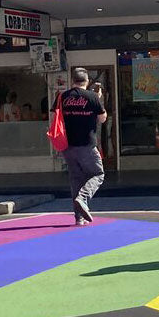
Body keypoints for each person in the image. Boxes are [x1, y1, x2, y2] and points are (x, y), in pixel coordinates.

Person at [59, 67, 107, 224]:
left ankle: (79, 217)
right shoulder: (92, 96)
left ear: (73, 81)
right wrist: (98, 99)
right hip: (87, 144)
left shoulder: (63, 97)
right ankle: (83, 198)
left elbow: (56, 116)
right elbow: (102, 119)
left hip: (67, 145)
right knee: (98, 174)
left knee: (76, 178)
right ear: (86, 81)